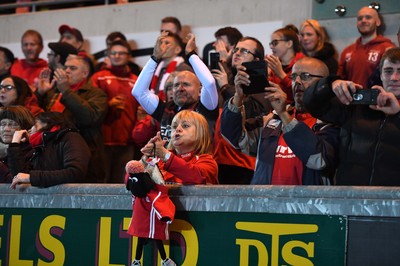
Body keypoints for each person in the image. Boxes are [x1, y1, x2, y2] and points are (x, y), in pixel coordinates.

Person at [221, 57, 339, 185]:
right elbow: (234, 138)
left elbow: (318, 159)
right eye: (293, 77)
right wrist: (238, 97)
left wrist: (284, 114)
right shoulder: (272, 120)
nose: (297, 81)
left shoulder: (331, 123)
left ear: (323, 84)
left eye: (305, 76)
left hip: (306, 204)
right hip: (266, 203)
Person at [303, 47, 400, 186]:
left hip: (393, 202)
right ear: (381, 75)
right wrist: (330, 84)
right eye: (388, 71)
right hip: (351, 198)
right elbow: (311, 104)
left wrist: (397, 114)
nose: (394, 78)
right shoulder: (358, 106)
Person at [132, 32, 219, 142]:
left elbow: (210, 83)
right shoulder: (166, 110)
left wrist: (191, 54)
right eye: (176, 85)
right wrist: (154, 58)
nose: (180, 88)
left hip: (198, 159)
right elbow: (138, 92)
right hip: (169, 159)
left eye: (186, 84)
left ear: (200, 91)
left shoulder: (206, 108)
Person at [36, 54, 108, 183]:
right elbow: (39, 119)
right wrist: (41, 94)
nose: (67, 71)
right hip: (52, 157)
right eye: (66, 67)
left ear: (85, 73)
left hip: (84, 158)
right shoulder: (54, 92)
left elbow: (89, 118)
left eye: (73, 68)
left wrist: (66, 91)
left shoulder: (96, 94)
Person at [211, 36, 270, 184]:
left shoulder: (263, 86)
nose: (237, 53)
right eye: (236, 49)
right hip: (218, 160)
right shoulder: (226, 79)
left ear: (256, 60)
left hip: (244, 164)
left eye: (244, 51)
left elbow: (252, 109)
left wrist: (225, 87)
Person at [91, 39, 139, 183]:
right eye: (113, 53)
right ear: (109, 55)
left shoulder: (136, 80)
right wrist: (108, 105)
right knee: (101, 183)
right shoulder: (98, 77)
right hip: (102, 141)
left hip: (127, 142)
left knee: (122, 184)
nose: (117, 56)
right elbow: (90, 107)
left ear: (128, 56)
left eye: (121, 53)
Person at [9, 111, 91, 188]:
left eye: (35, 124)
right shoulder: (41, 146)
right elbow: (19, 177)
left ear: (48, 123)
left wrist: (32, 177)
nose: (30, 129)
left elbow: (75, 173)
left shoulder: (71, 138)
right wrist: (15, 145)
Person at [140, 110, 218, 184]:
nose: (177, 129)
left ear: (201, 132)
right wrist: (145, 158)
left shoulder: (208, 162)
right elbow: (130, 182)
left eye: (185, 126)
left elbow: (197, 177)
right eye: (174, 126)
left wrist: (166, 155)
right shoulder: (160, 160)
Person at [337, 6, 395, 89]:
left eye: (368, 17)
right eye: (360, 18)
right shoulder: (347, 51)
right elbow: (340, 79)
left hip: (377, 100)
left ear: (378, 22)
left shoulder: (387, 48)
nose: (363, 21)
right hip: (351, 100)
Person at [148, 31, 192, 100]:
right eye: (161, 43)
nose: (162, 46)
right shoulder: (158, 68)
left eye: (167, 43)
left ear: (177, 49)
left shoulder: (184, 69)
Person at [265, 26, 305, 103]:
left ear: (289, 43)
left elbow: (302, 93)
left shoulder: (304, 63)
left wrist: (281, 74)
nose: (271, 47)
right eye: (270, 43)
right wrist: (267, 75)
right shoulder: (274, 64)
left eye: (274, 43)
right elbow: (269, 94)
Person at [0, 106, 34, 183]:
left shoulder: (32, 152)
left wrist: (14, 147)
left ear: (25, 128)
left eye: (13, 124)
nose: (6, 129)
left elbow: (18, 182)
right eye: (2, 124)